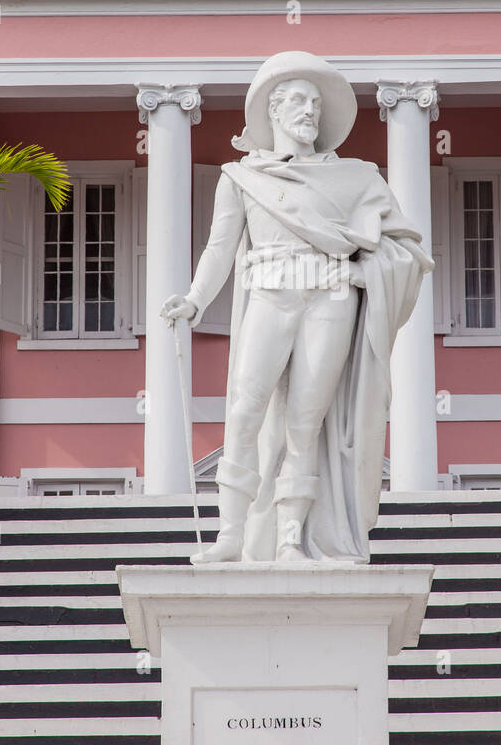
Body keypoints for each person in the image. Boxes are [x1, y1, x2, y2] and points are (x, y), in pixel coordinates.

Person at [162, 51, 433, 564]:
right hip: (270, 291)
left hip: (329, 298)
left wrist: (358, 273)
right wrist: (195, 298)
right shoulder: (241, 177)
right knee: (244, 410)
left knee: (307, 421)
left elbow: (408, 251)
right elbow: (220, 247)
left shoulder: (358, 179)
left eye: (315, 102)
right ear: (274, 112)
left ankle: (290, 537)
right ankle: (230, 535)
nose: (310, 111)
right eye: (298, 102)